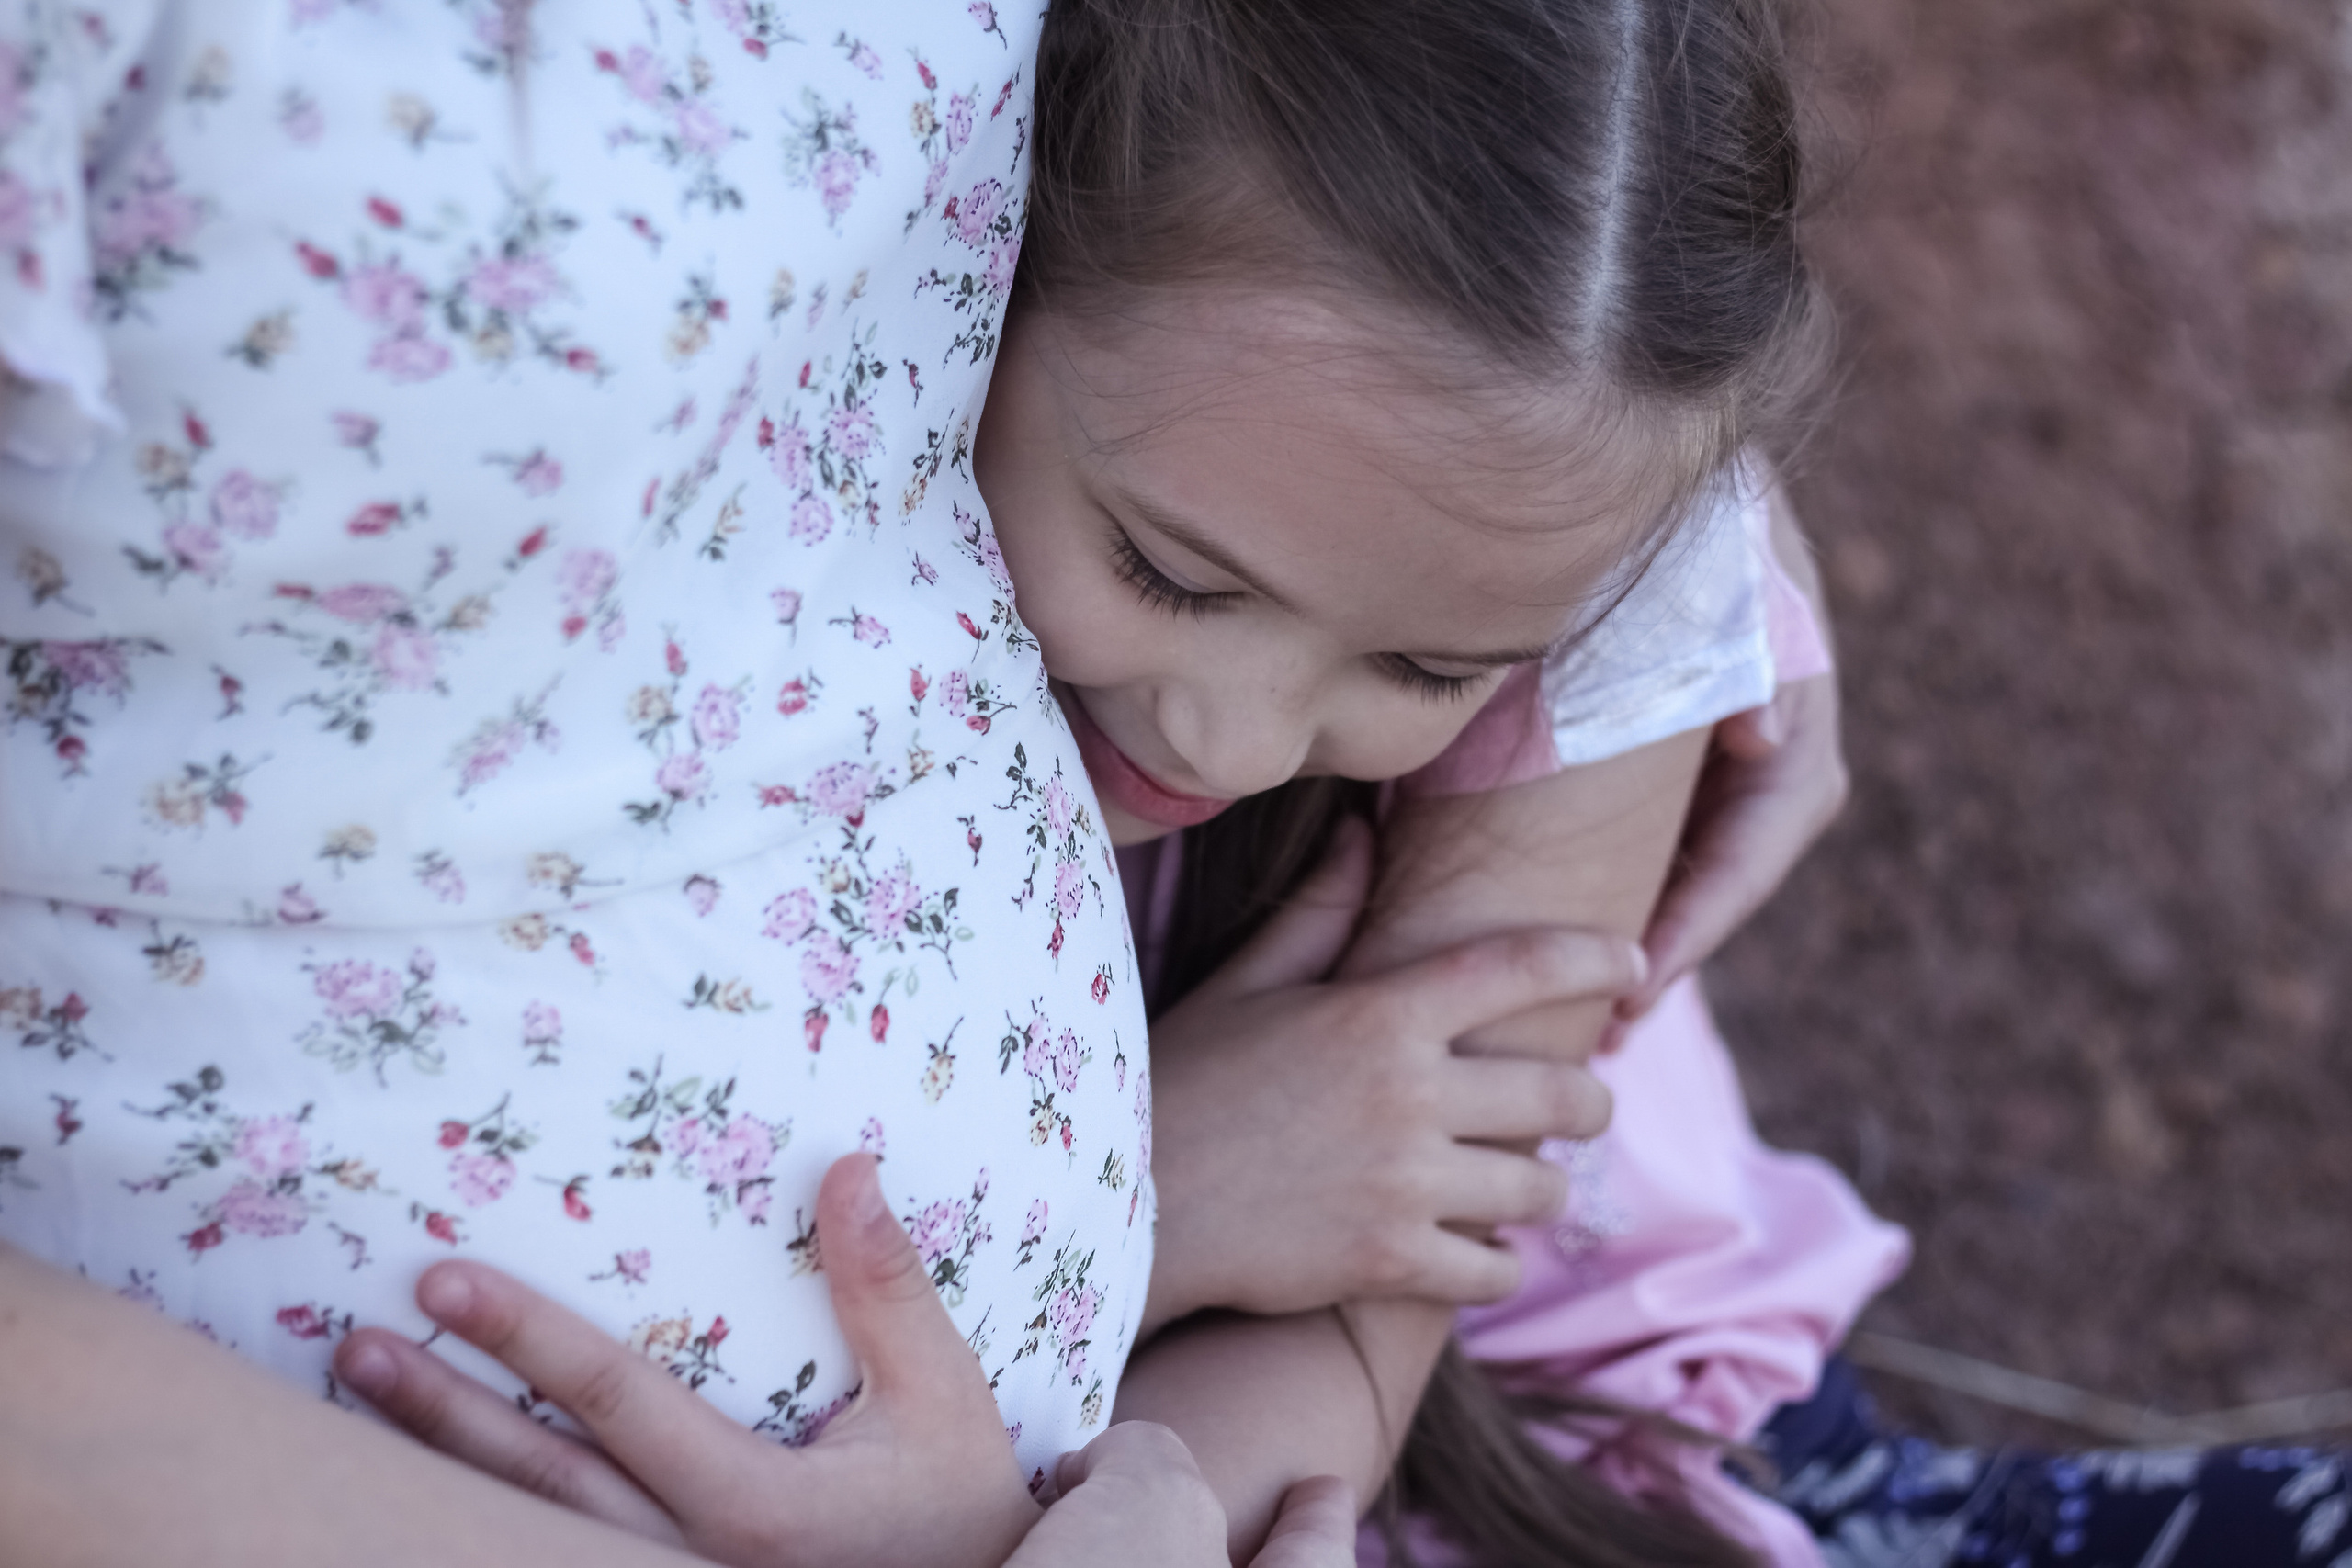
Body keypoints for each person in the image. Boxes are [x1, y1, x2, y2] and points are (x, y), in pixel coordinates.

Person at [0, 0, 1794, 1559]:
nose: (1231, 743)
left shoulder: (1521, 490)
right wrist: (1174, 1197)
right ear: (994, 230)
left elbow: (1367, 1330)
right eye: (1168, 572)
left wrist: (1117, 1482)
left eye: (1426, 665)